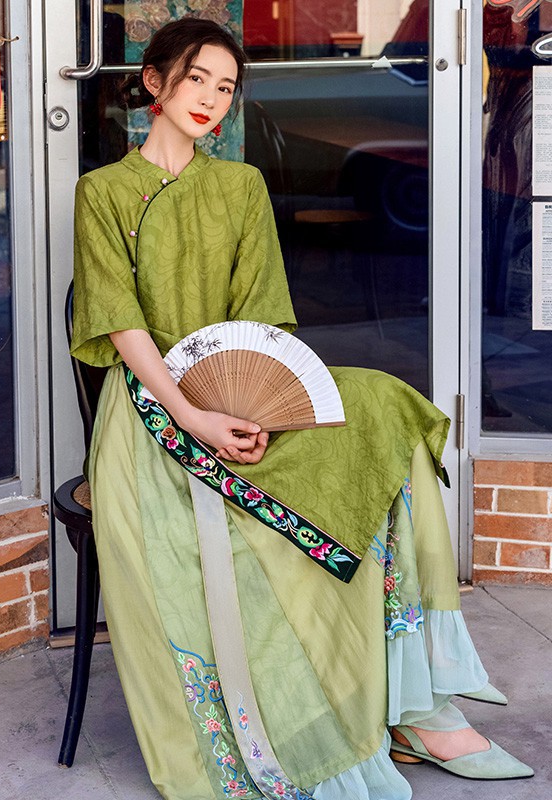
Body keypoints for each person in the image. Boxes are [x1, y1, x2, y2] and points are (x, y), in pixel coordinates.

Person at [70, 17, 533, 800]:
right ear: (153, 82)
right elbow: (123, 326)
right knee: (248, 531)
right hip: (152, 409)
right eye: (196, 79)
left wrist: (251, 406)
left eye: (226, 87)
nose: (210, 98)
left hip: (240, 394)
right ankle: (368, 714)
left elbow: (259, 318)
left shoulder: (240, 186)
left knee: (387, 414)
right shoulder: (103, 192)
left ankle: (415, 699)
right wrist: (194, 417)